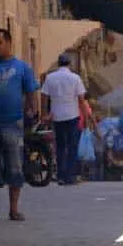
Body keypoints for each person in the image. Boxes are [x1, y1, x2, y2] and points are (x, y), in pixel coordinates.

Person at [0, 28, 39, 221]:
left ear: (9, 43)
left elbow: (31, 92)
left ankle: (14, 209)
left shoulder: (22, 68)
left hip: (13, 122)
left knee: (15, 166)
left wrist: (33, 111)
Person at [39, 54, 87, 185]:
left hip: (57, 116)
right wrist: (86, 117)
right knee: (72, 147)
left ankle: (60, 175)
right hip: (72, 116)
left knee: (60, 146)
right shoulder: (75, 78)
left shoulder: (50, 78)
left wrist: (45, 114)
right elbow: (81, 100)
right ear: (69, 64)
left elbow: (44, 96)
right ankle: (69, 176)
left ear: (58, 63)